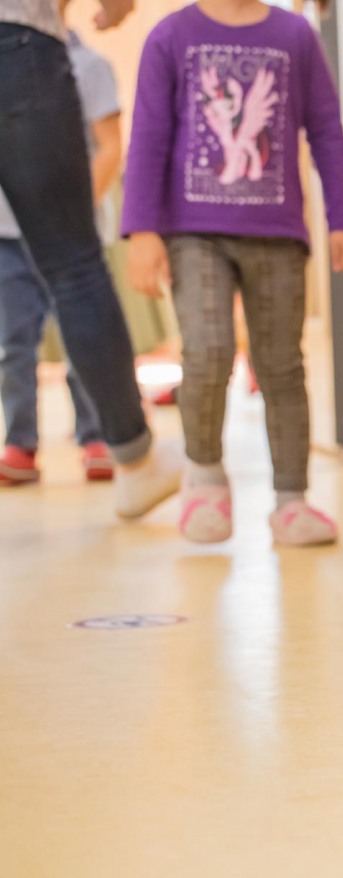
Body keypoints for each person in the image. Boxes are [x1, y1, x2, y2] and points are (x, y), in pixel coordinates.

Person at [122, 0, 343, 545]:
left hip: (278, 232)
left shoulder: (295, 35)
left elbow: (325, 128)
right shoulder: (170, 35)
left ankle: (291, 499)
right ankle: (204, 477)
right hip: (193, 232)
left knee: (280, 365)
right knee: (206, 351)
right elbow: (150, 135)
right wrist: (142, 230)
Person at [0, 0, 182, 516]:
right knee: (74, 267)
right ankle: (133, 457)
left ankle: (105, 443)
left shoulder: (95, 69)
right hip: (17, 42)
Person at [0, 0, 122, 487]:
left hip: (67, 222)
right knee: (15, 341)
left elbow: (111, 146)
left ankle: (98, 435)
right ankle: (20, 439)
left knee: (78, 327)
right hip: (8, 232)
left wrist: (72, 210)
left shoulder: (90, 66)